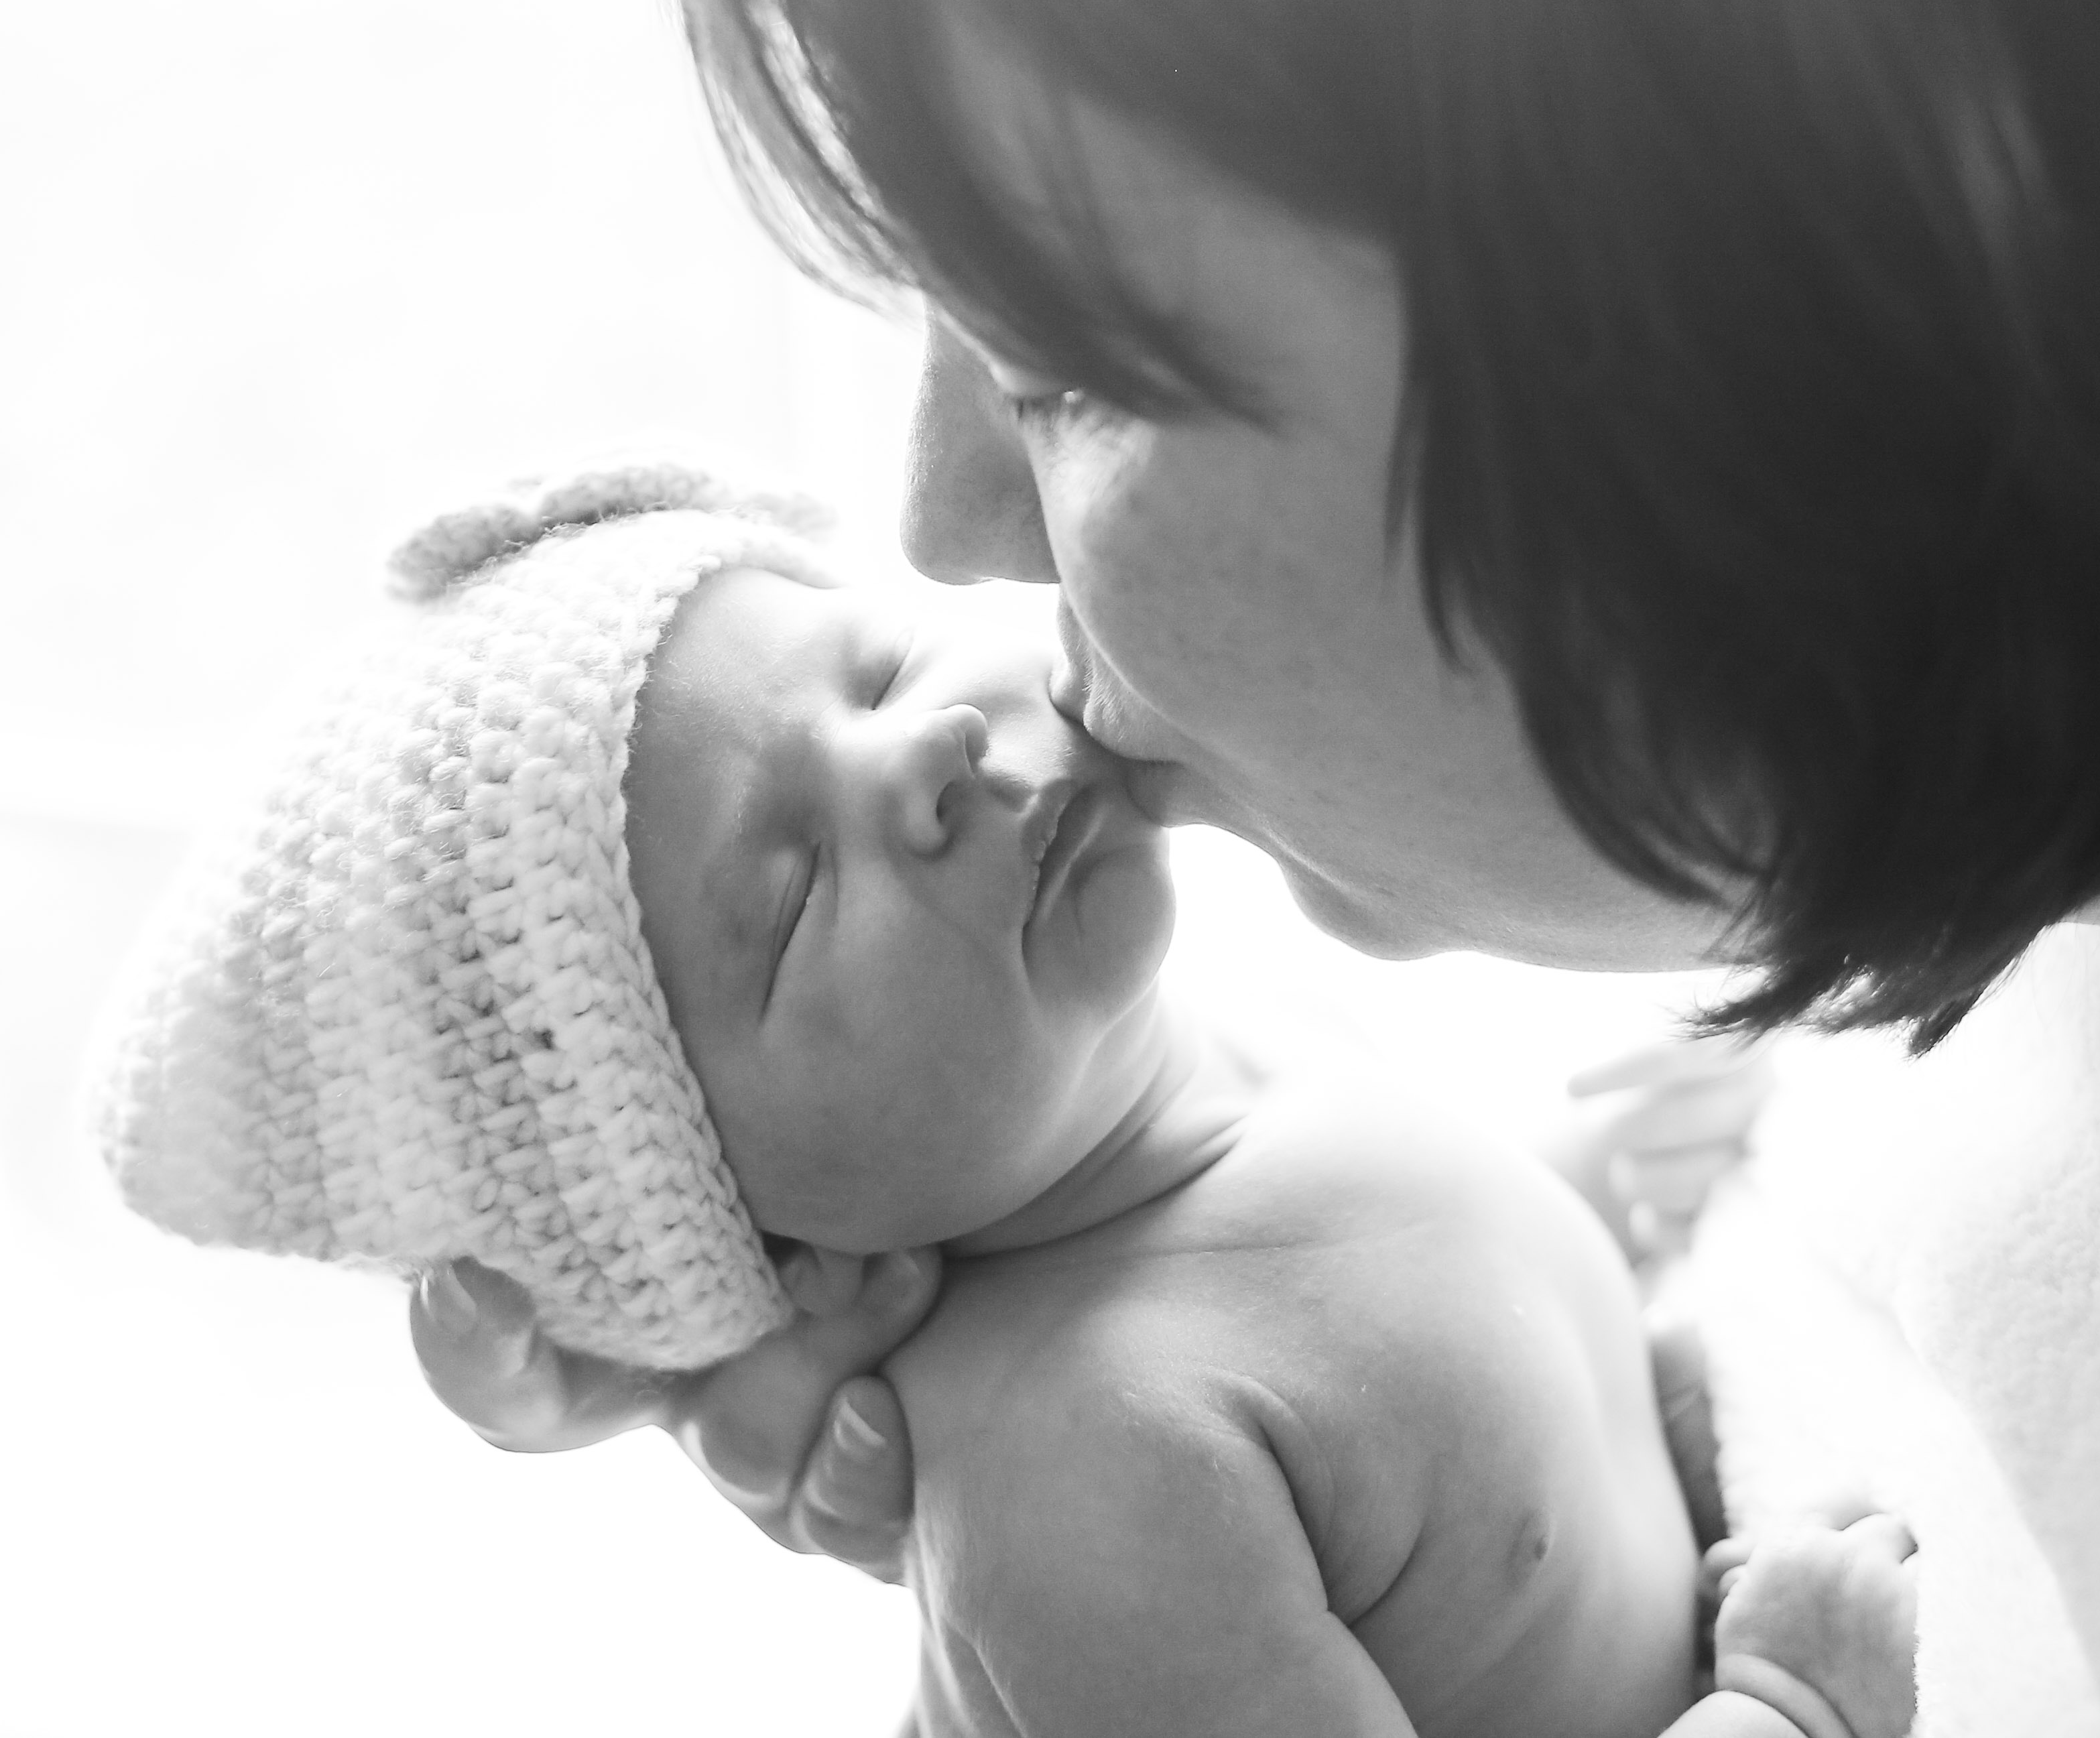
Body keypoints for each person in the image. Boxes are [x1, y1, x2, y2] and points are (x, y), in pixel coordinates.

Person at [412, 0, 2100, 1719]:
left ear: (1716, 272)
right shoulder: (1991, 979)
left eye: (1057, 358)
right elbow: (1704, 1185)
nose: (945, 528)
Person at [109, 464, 1913, 1737]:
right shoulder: (1090, 1477)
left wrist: (1687, 1138)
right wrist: (1790, 1705)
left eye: (875, 668)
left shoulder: (1229, 1048)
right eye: (791, 896)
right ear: (748, 1236)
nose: (925, 755)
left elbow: (1484, 1327)